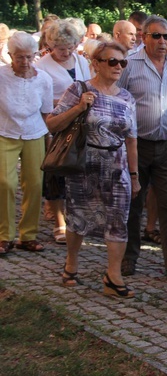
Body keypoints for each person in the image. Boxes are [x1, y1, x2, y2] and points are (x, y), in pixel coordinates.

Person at [46, 41, 139, 296]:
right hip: (83, 166)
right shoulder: (79, 89)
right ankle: (71, 265)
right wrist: (79, 108)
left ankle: (113, 276)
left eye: (122, 62)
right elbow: (52, 124)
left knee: (118, 221)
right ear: (96, 64)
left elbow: (132, 139)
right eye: (112, 61)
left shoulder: (127, 97)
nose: (118, 67)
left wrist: (135, 175)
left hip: (117, 168)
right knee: (78, 218)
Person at [118, 15, 167, 284]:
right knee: (133, 203)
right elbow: (117, 99)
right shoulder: (129, 64)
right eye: (156, 36)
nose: (163, 41)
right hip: (136, 145)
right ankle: (128, 257)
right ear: (144, 37)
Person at [36, 19, 92, 244]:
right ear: (50, 45)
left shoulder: (81, 61)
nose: (66, 52)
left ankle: (75, 217)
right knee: (56, 173)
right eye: (61, 48)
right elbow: (40, 99)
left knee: (77, 171)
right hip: (55, 125)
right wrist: (69, 102)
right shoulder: (42, 66)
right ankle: (59, 220)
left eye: (70, 47)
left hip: (80, 126)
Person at [0, 32, 53, 255]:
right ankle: (5, 235)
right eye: (19, 57)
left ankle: (28, 234)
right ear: (10, 55)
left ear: (36, 55)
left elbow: (47, 113)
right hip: (5, 132)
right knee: (5, 183)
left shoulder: (43, 79)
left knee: (34, 184)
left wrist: (49, 141)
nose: (24, 62)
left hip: (34, 133)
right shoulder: (1, 76)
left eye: (29, 57)